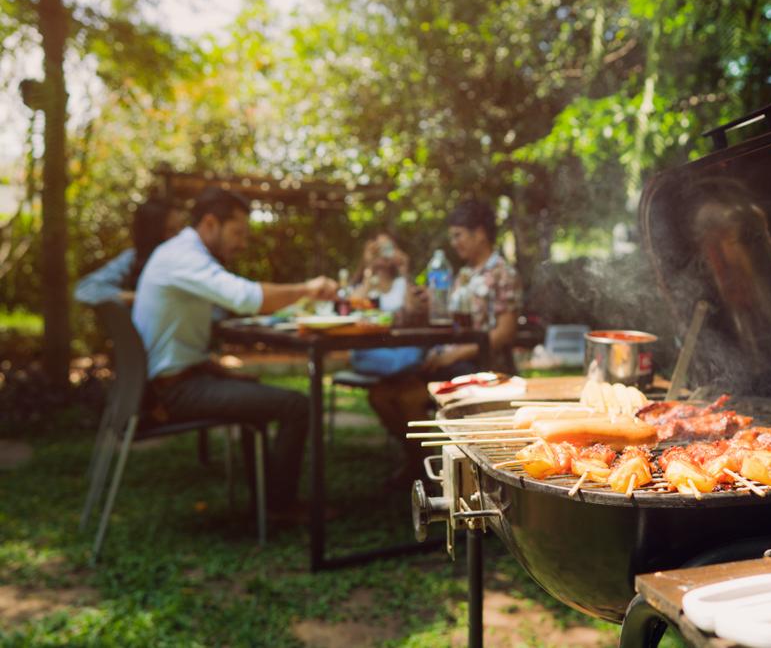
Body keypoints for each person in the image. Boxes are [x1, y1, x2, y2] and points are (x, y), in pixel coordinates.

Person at [132, 187, 340, 521]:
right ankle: (279, 506)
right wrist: (307, 290)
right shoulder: (183, 257)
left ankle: (266, 501)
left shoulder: (181, 254)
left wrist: (219, 370)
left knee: (254, 390)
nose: (242, 243)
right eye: (237, 233)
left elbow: (178, 342)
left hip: (176, 381)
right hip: (171, 393)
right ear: (211, 224)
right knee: (296, 406)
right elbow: (245, 298)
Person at [367, 199, 522, 483]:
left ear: (480, 234)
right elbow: (443, 317)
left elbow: (504, 332)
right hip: (445, 364)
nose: (454, 243)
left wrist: (452, 355)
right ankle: (418, 461)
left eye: (458, 235)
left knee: (407, 398)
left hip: (480, 369)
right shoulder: (461, 274)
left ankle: (436, 475)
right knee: (379, 395)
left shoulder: (503, 273)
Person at [74, 196, 185, 306]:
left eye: (182, 228)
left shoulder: (190, 257)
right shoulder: (133, 258)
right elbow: (85, 289)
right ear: (153, 233)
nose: (180, 236)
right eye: (171, 230)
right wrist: (138, 298)